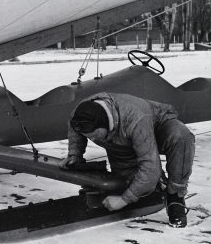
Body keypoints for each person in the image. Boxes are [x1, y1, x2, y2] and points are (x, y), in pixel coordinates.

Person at [61, 93, 195, 228]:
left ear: (104, 124)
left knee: (180, 137)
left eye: (95, 135)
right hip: (121, 142)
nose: (93, 138)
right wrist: (75, 155)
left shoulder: (136, 118)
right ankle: (159, 185)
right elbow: (75, 129)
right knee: (136, 186)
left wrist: (124, 200)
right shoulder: (80, 114)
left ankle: (175, 196)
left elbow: (150, 168)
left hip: (155, 127)